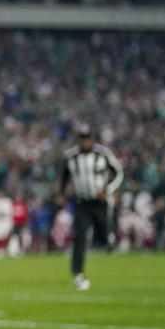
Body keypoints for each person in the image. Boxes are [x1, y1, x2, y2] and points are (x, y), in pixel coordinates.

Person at [59, 123, 123, 291]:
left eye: (87, 138)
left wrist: (107, 189)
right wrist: (62, 194)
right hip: (82, 202)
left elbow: (119, 173)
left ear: (93, 139)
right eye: (82, 138)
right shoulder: (71, 157)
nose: (85, 141)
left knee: (103, 237)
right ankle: (78, 271)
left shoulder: (102, 154)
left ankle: (108, 241)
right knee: (79, 236)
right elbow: (64, 177)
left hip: (99, 202)